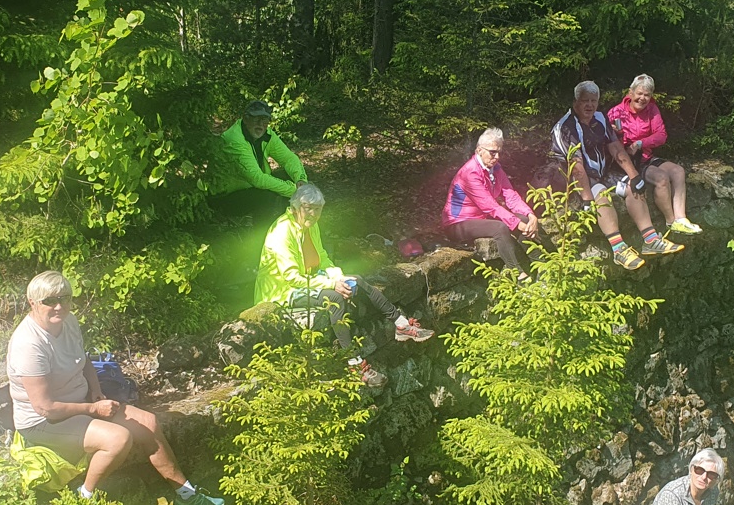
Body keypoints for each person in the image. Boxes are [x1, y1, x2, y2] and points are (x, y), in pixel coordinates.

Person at [6, 271, 225, 505]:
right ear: (33, 303)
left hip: (80, 403)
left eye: (65, 298)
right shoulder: (29, 344)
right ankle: (84, 498)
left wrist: (96, 392)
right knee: (118, 439)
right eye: (49, 301)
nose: (59, 306)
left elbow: (84, 360)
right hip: (43, 422)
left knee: (149, 423)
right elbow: (45, 407)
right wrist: (93, 408)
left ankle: (186, 494)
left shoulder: (68, 322)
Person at [254, 184, 434, 387]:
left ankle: (401, 324)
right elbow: (291, 277)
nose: (313, 214)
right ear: (295, 207)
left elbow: (322, 258)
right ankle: (353, 362)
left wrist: (338, 277)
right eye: (308, 208)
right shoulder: (282, 232)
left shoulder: (310, 225)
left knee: (357, 281)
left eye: (318, 209)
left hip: (309, 278)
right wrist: (332, 283)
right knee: (335, 298)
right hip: (284, 291)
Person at [548, 81, 683, 270]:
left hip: (601, 171)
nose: (590, 105)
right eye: (585, 101)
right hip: (575, 177)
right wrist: (586, 198)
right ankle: (619, 250)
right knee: (602, 196)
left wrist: (634, 176)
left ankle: (651, 240)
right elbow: (575, 165)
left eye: (593, 101)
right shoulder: (566, 127)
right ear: (575, 102)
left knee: (633, 188)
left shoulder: (600, 118)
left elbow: (616, 148)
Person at [441, 127, 558, 283]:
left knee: (523, 219)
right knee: (500, 227)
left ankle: (542, 266)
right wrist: (519, 225)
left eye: (499, 152)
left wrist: (531, 216)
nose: (497, 157)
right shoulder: (470, 173)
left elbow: (511, 196)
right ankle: (518, 275)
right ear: (479, 150)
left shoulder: (495, 169)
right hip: (457, 223)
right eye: (492, 152)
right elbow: (490, 206)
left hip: (481, 218)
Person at [606, 75, 701, 236]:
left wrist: (640, 143)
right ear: (630, 93)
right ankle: (671, 222)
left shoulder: (652, 110)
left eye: (647, 95)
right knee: (661, 178)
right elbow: (608, 142)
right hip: (629, 161)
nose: (642, 98)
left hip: (645, 155)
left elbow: (661, 135)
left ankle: (681, 218)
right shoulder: (616, 112)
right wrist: (619, 136)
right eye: (639, 93)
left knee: (678, 171)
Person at [208, 100, 309, 226]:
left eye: (265, 120)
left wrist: (301, 180)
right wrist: (295, 191)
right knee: (266, 195)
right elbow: (256, 179)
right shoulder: (234, 140)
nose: (260, 124)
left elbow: (289, 158)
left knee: (291, 176)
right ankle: (260, 233)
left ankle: (292, 223)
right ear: (246, 119)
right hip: (224, 197)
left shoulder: (267, 134)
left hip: (249, 187)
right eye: (256, 119)